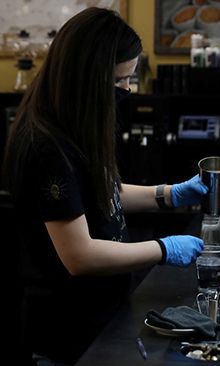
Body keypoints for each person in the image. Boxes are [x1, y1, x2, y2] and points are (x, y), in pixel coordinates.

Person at [3, 8, 209, 365]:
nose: (127, 90)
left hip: (100, 315)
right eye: (120, 81)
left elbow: (100, 191)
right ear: (88, 79)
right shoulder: (45, 146)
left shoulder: (71, 122)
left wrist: (169, 194)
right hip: (65, 332)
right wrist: (163, 248)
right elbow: (79, 255)